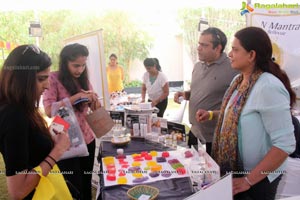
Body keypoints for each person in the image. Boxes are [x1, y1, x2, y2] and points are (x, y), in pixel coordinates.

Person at [196, 27, 296, 200]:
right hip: (236, 174)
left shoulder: (268, 87)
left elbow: (285, 144)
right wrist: (211, 114)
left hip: (258, 180)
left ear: (251, 55)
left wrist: (249, 180)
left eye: (235, 50)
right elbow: (237, 115)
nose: (229, 54)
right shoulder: (239, 80)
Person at [0, 44, 71, 199]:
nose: (47, 85)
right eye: (41, 79)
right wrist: (57, 150)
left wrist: (49, 134)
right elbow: (18, 191)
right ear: (21, 80)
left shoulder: (23, 107)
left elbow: (30, 147)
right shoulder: (13, 115)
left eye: (47, 78)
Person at [43, 43, 101, 199]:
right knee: (73, 187)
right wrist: (75, 98)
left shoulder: (83, 79)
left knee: (86, 182)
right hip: (65, 141)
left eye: (83, 65)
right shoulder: (53, 78)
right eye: (76, 65)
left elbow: (95, 108)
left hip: (87, 138)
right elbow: (49, 111)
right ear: (65, 62)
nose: (80, 70)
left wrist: (94, 100)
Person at [174, 27, 238, 155]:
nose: (198, 48)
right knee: (191, 169)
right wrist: (185, 95)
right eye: (199, 44)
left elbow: (237, 106)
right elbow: (198, 91)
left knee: (212, 173)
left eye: (204, 45)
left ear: (218, 48)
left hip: (215, 138)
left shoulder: (233, 69)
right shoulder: (198, 66)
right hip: (194, 131)